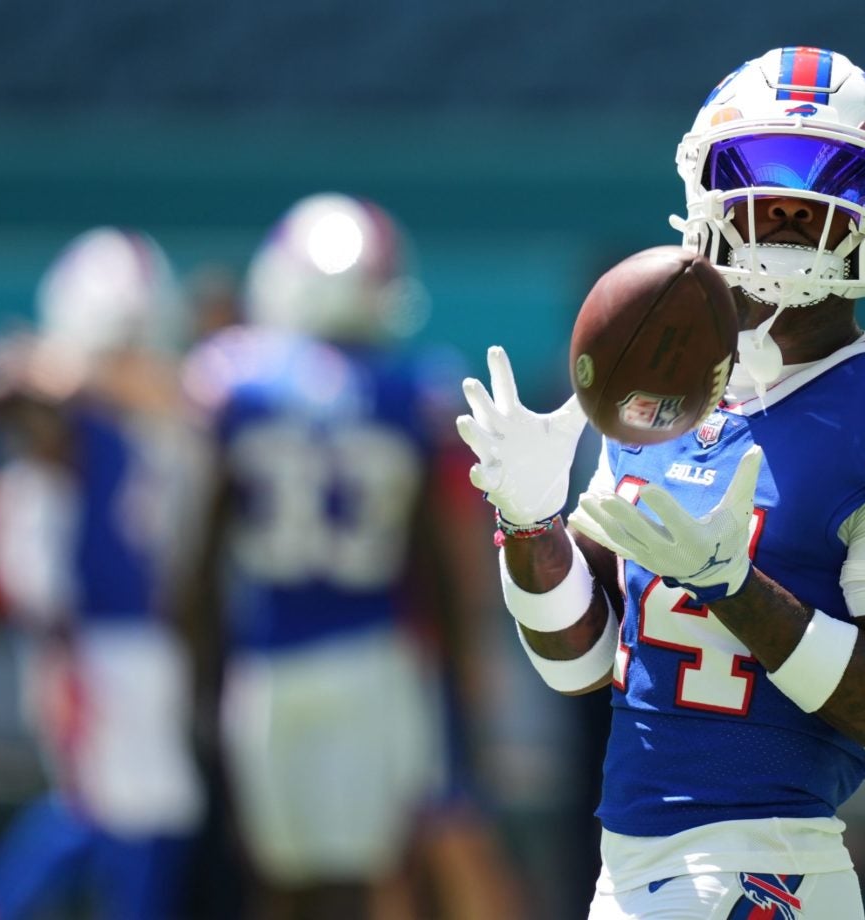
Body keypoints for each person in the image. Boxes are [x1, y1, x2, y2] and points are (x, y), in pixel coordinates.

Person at [456, 47, 865, 918]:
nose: (790, 204)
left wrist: (734, 589)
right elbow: (582, 662)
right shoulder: (664, 387)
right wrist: (530, 526)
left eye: (833, 176)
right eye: (759, 169)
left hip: (766, 872)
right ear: (706, 185)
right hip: (630, 871)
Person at [177, 192, 526, 920]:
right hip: (370, 658)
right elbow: (436, 564)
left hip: (268, 657)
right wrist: (465, 679)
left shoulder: (237, 382)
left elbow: (198, 551)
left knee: (280, 879)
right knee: (362, 876)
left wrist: (198, 672)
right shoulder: (408, 390)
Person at [0, 228, 205, 920]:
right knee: (111, 806)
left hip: (139, 632)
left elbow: (170, 399)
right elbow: (4, 391)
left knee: (147, 808)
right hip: (85, 637)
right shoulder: (50, 401)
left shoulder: (138, 403)